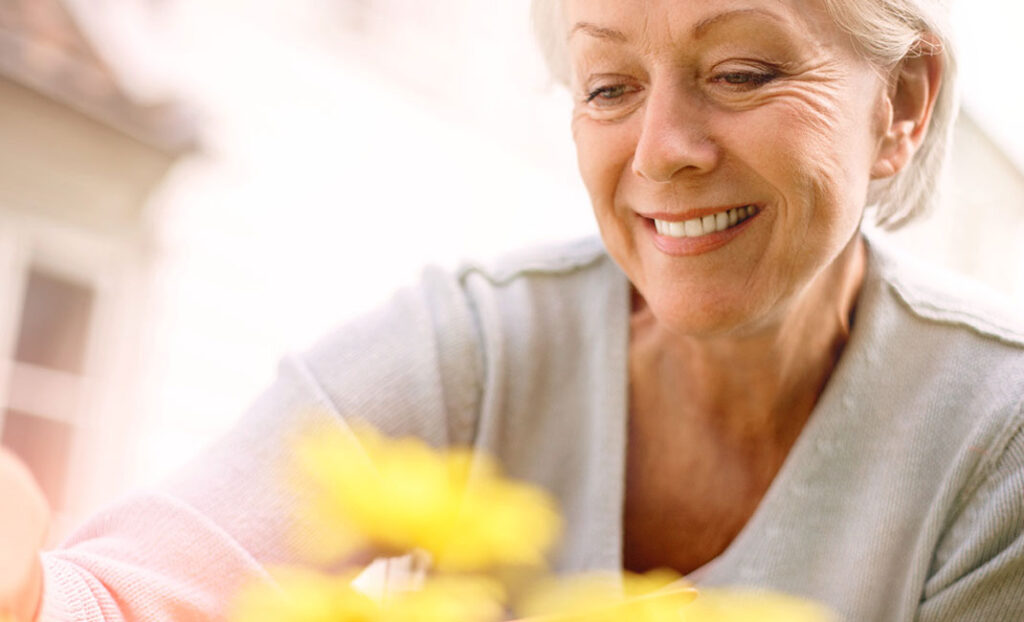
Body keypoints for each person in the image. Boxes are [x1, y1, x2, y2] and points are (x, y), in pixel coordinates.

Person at [3, 0, 1023, 620]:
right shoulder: (473, 350)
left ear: (902, 103)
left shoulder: (994, 437)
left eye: (741, 73)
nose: (663, 148)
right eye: (610, 86)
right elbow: (133, 596)